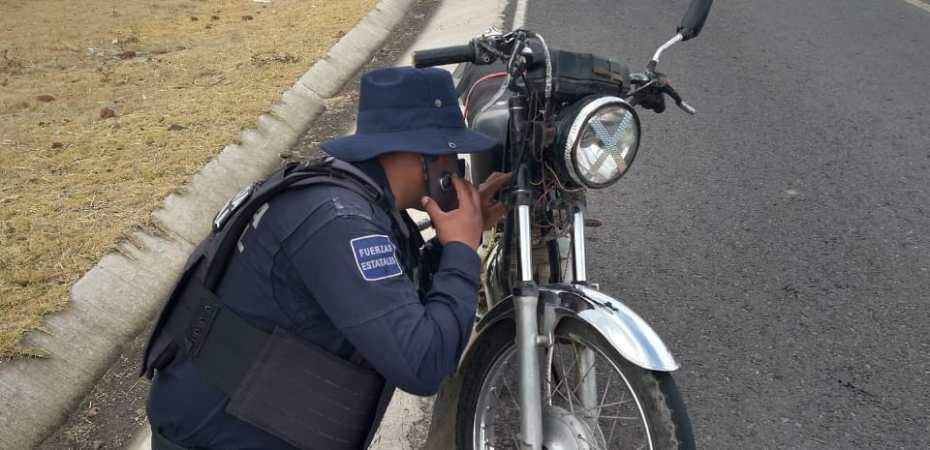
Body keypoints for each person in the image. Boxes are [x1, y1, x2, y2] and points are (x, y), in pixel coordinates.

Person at [142, 66, 512, 450]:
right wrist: (461, 250)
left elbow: (395, 305)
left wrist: (456, 240)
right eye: (450, 154)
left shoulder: (350, 196)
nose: (457, 169)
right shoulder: (339, 222)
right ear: (421, 155)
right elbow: (426, 364)